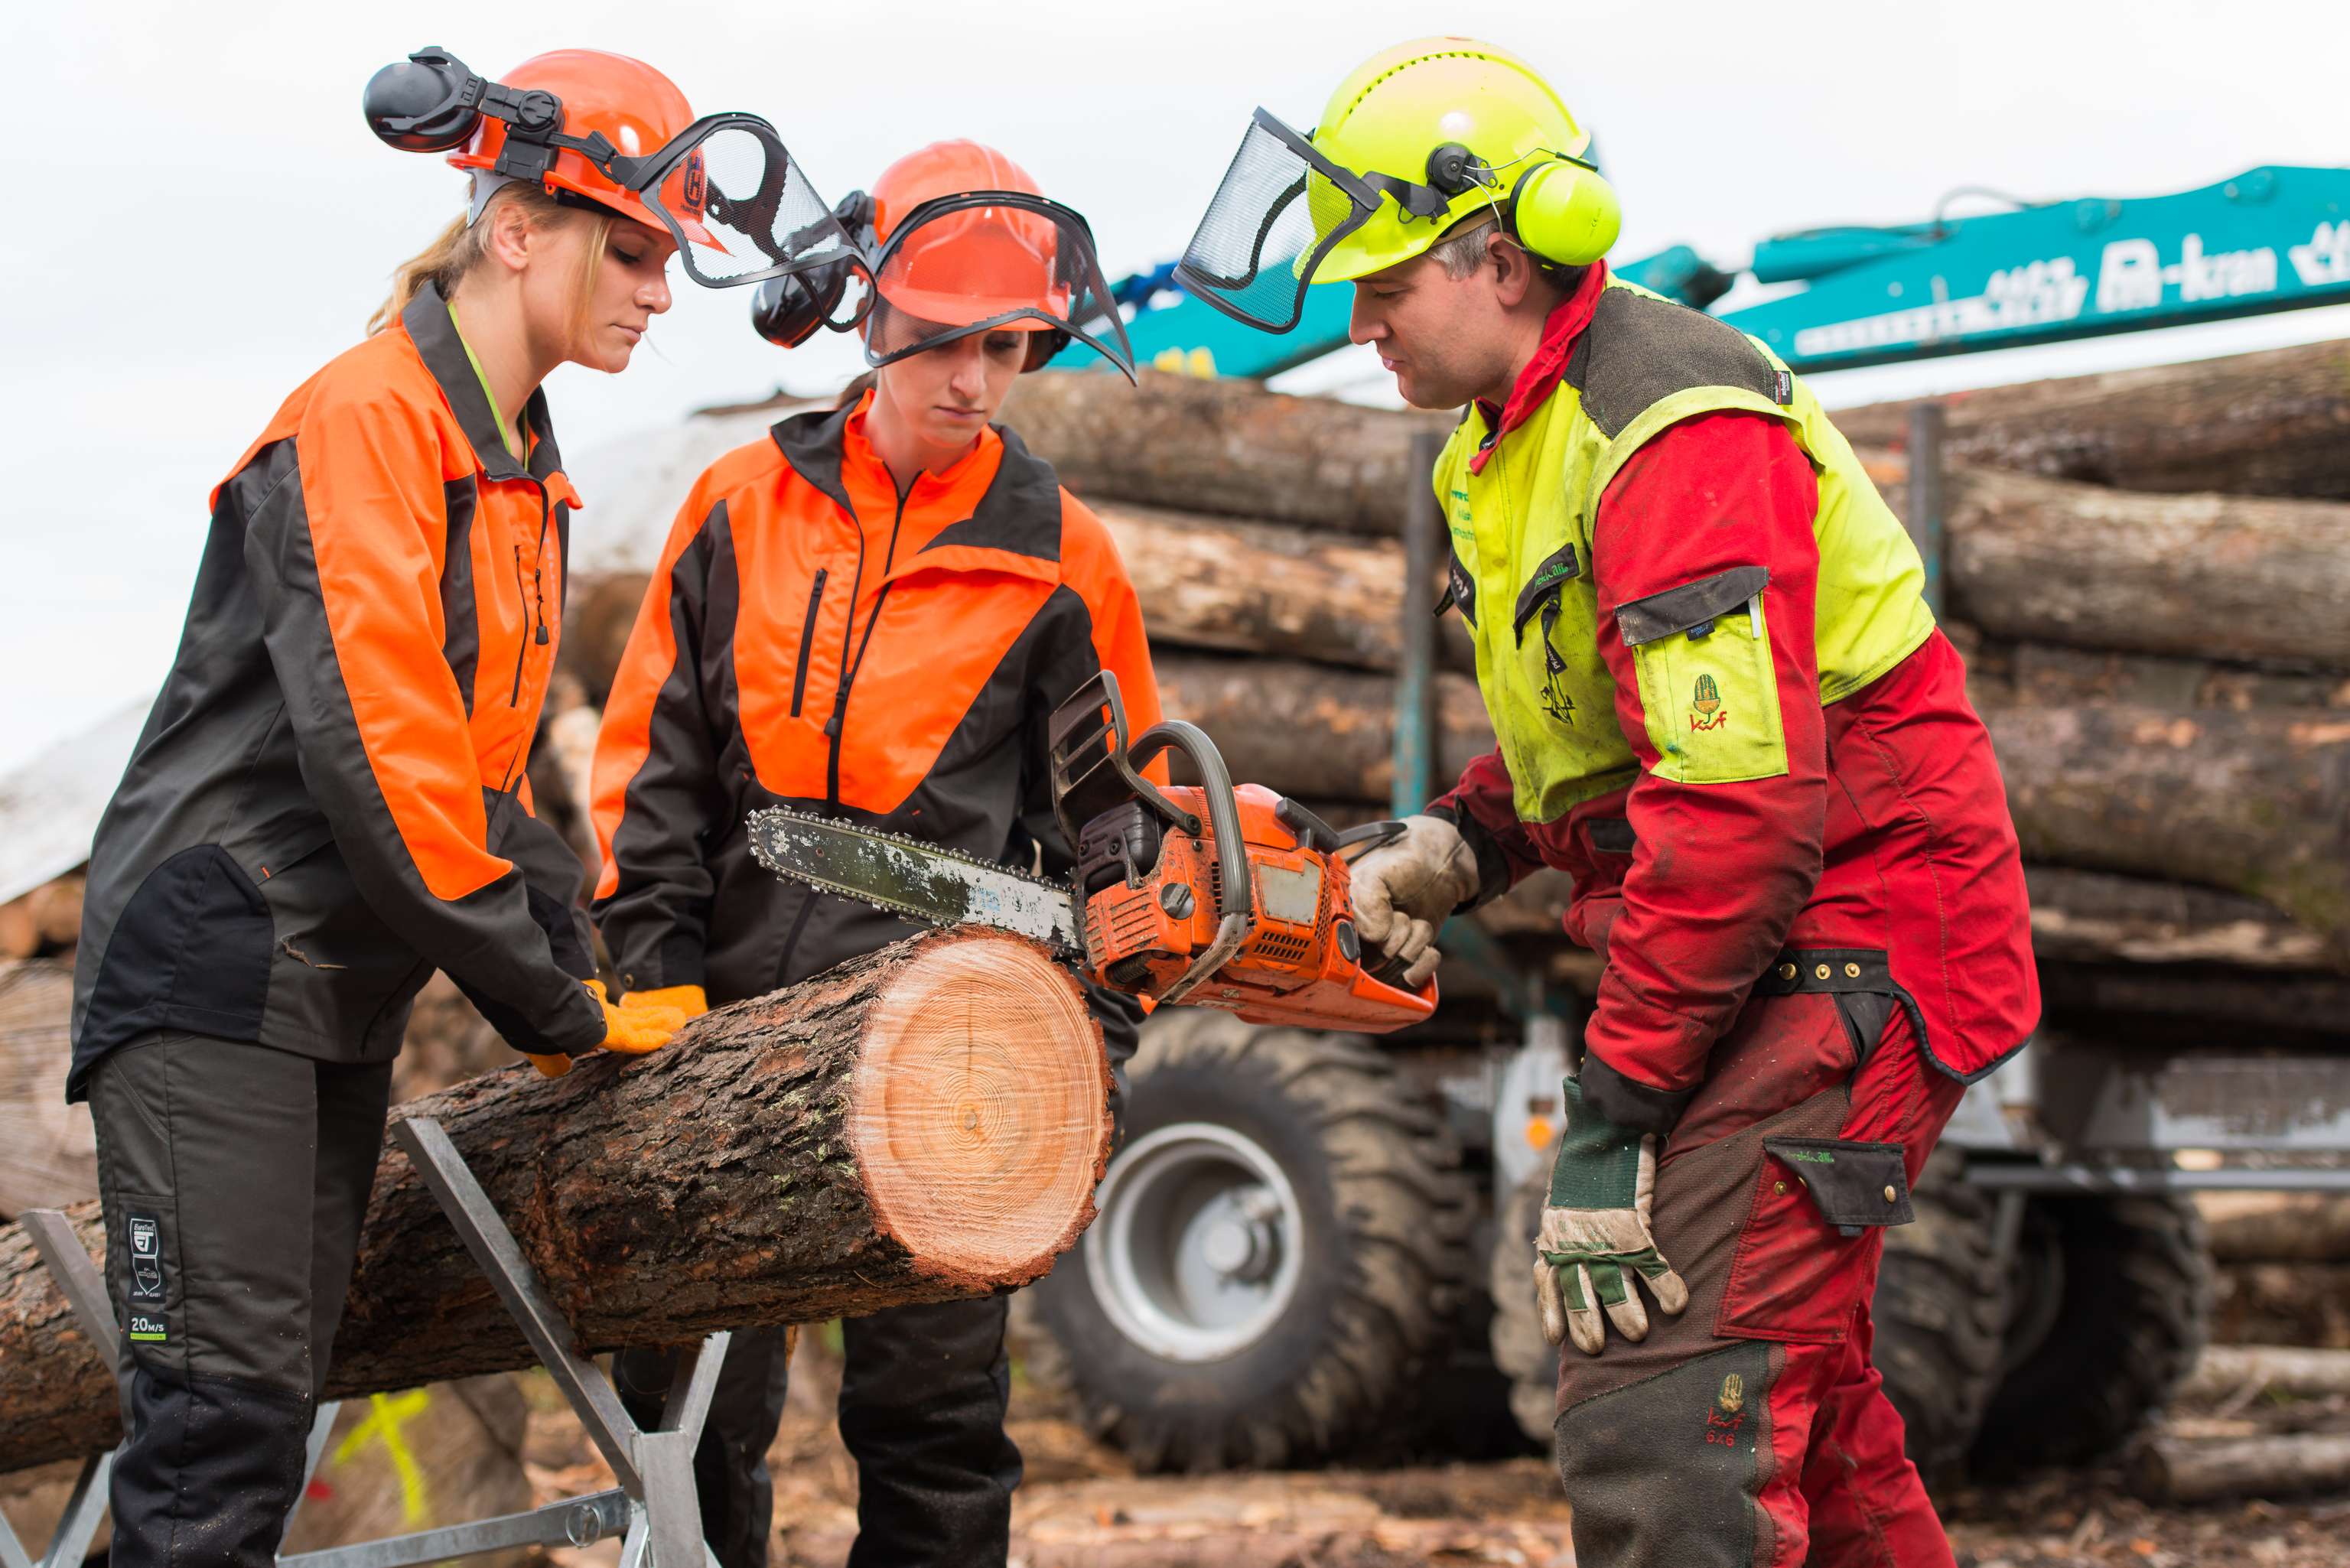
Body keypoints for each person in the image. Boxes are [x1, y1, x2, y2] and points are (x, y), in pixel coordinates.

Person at [1173, 37, 2039, 1568]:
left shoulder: (1673, 421)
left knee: (1669, 1392)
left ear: (1498, 256)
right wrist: (1465, 835)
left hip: (1866, 924)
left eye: (1384, 281)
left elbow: (1739, 803)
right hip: (1778, 923)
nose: (1358, 315)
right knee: (1800, 1405)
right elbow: (1614, 729)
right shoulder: (1497, 449)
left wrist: (1612, 1107)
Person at [63, 47, 836, 1568]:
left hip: (323, 999)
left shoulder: (515, 466)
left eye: (670, 261)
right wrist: (552, 1002)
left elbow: (486, 789)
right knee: (213, 1426)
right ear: (512, 228)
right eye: (630, 249)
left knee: (263, 1416)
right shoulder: (370, 420)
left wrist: (611, 975)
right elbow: (385, 761)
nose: (657, 293)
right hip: (215, 976)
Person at [589, 139, 1158, 1568]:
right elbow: (651, 773)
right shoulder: (738, 504)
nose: (972, 378)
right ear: (872, 314)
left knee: (935, 1420)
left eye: (1008, 346)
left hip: (954, 1053)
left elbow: (1116, 827)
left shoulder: (1061, 557)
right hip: (719, 1031)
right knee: (698, 1409)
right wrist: (647, 984)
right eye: (946, 341)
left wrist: (1096, 1041)